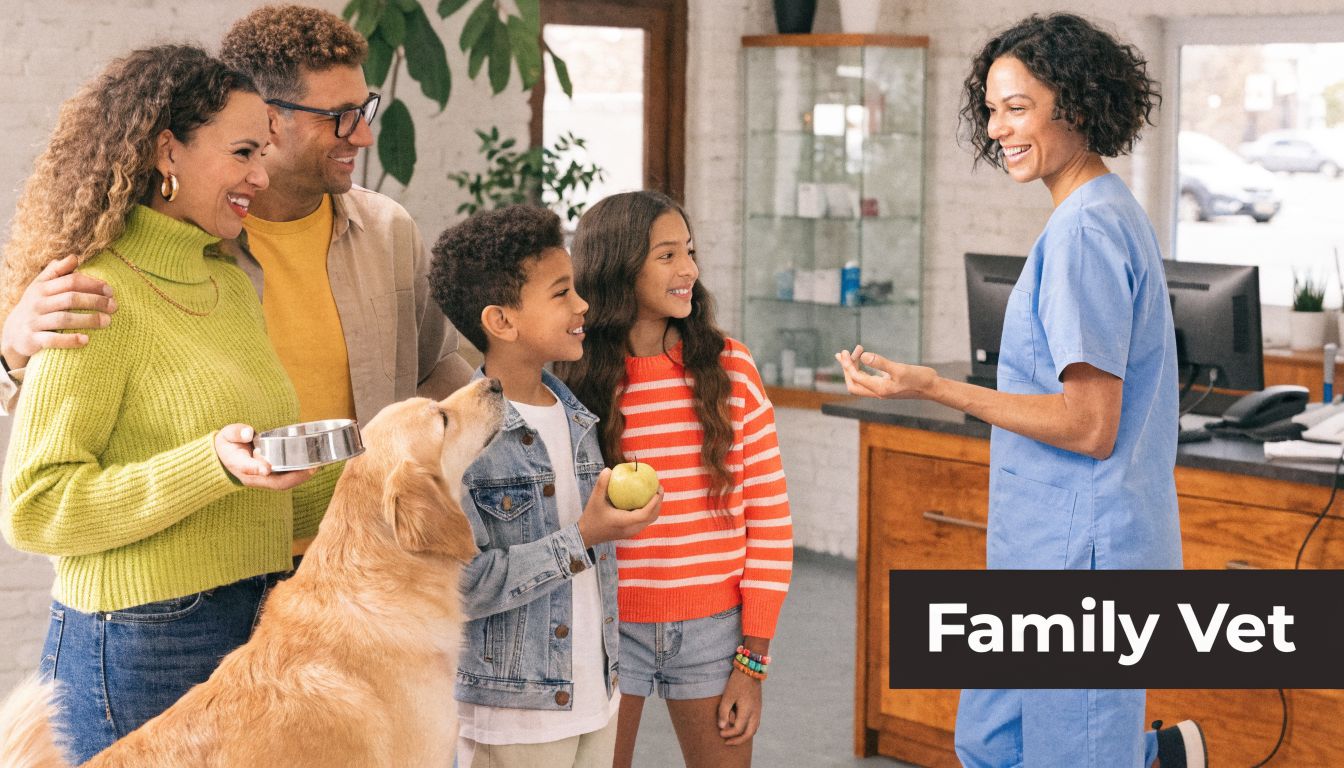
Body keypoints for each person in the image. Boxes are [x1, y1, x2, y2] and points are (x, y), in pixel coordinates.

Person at [835, 13, 1206, 768]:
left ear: (1072, 103)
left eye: (1020, 107)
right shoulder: (1086, 215)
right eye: (993, 109)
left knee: (1076, 755)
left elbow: (1089, 424)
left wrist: (938, 386)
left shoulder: (1086, 234)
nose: (1000, 128)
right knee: (990, 743)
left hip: (1085, 557)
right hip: (1037, 547)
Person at [1, 5, 473, 552]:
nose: (363, 136)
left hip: (363, 557)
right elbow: (49, 474)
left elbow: (437, 368)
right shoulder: (177, 260)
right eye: (339, 116)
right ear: (269, 118)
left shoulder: (388, 231)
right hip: (220, 570)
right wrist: (10, 356)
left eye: (364, 108)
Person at [0, 46, 322, 764]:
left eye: (264, 153)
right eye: (243, 151)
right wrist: (210, 465)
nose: (261, 177)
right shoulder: (91, 294)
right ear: (166, 150)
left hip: (256, 615)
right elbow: (35, 506)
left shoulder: (230, 284)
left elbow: (262, 492)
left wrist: (390, 462)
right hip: (142, 641)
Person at [557, 190, 794, 768]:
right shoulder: (570, 380)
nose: (689, 268)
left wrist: (752, 660)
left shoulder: (731, 369)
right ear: (618, 266)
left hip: (715, 631)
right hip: (607, 622)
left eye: (689, 251)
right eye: (667, 255)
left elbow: (769, 518)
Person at [428, 204, 662, 768]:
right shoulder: (460, 444)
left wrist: (608, 529)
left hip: (595, 695)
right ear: (501, 321)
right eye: (561, 293)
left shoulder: (577, 417)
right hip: (514, 718)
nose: (582, 305)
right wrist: (583, 536)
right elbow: (463, 587)